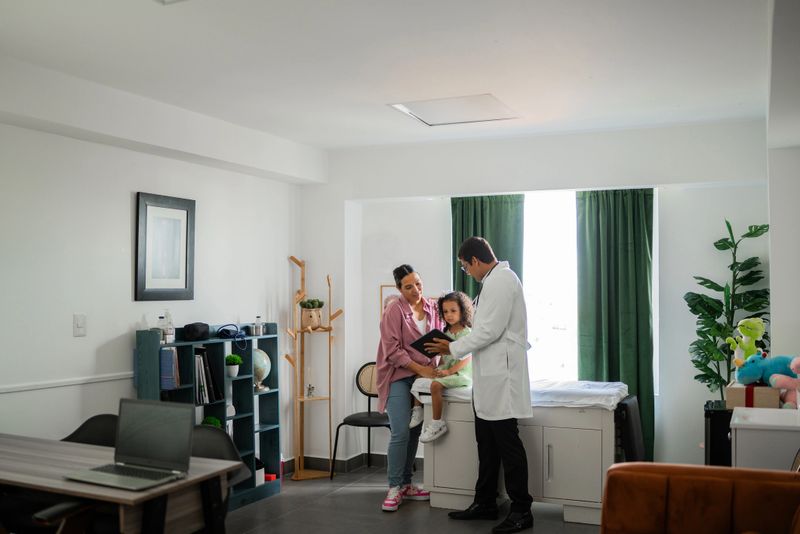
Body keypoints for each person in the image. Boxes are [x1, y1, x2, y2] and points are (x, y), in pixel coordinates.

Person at [425, 237, 534, 534]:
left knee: (508, 445)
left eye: (464, 266)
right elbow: (483, 330)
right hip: (488, 379)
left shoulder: (501, 281)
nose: (466, 272)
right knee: (486, 444)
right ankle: (485, 501)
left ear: (474, 260)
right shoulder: (492, 283)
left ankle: (522, 510)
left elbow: (487, 331)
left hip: (502, 378)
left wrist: (451, 349)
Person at [375, 264, 444, 512]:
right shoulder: (394, 311)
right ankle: (394, 487)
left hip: (422, 378)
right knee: (401, 431)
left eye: (418, 283)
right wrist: (422, 369)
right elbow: (392, 351)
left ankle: (406, 484)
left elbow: (439, 338)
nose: (415, 290)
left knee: (414, 431)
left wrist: (437, 366)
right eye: (408, 287)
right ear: (399, 289)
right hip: (398, 375)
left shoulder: (433, 307)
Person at [409, 291, 473, 443]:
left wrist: (449, 371)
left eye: (453, 311)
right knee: (419, 375)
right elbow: (444, 358)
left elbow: (468, 357)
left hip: (461, 374)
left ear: (462, 311)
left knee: (436, 386)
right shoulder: (445, 333)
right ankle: (417, 410)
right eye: (445, 312)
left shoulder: (467, 333)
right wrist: (438, 370)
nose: (449, 315)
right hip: (447, 371)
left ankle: (437, 422)